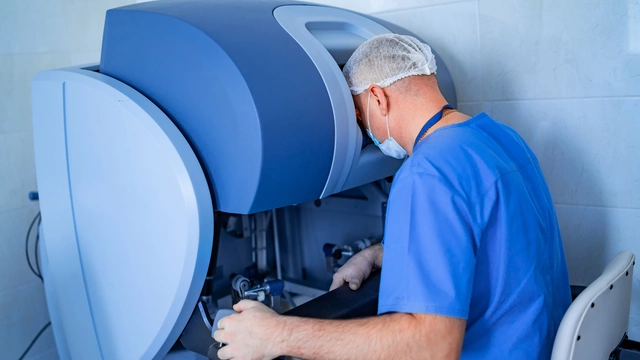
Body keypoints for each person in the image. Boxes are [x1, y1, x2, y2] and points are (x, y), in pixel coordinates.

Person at [213, 34, 571, 360]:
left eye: (358, 115)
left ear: (378, 98)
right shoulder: (500, 136)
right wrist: (382, 251)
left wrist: (276, 335)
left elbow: (429, 348)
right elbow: (496, 232)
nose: (363, 130)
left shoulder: (427, 172)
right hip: (536, 342)